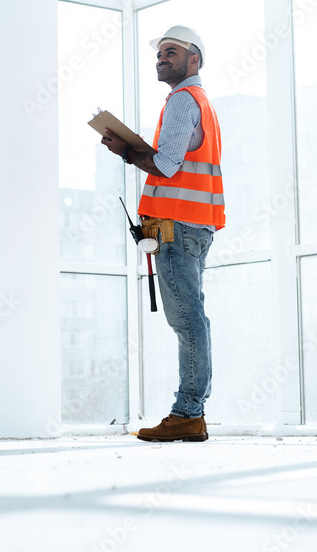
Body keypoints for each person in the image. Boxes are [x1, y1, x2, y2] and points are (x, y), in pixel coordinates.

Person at [100, 25, 225, 442]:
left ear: (194, 60)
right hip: (193, 226)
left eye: (171, 52)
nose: (161, 58)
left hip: (178, 227)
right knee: (193, 318)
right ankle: (192, 412)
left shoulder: (182, 101)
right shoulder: (201, 103)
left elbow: (166, 166)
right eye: (159, 53)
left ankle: (188, 412)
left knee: (187, 321)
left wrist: (126, 151)